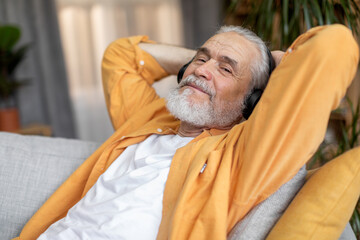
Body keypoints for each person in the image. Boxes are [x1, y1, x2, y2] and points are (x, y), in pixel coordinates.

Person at [14, 24, 358, 240]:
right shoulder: (151, 118)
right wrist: (200, 60)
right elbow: (121, 56)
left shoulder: (243, 155)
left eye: (226, 68)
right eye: (200, 59)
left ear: (251, 100)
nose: (202, 71)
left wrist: (271, 65)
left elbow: (334, 47)